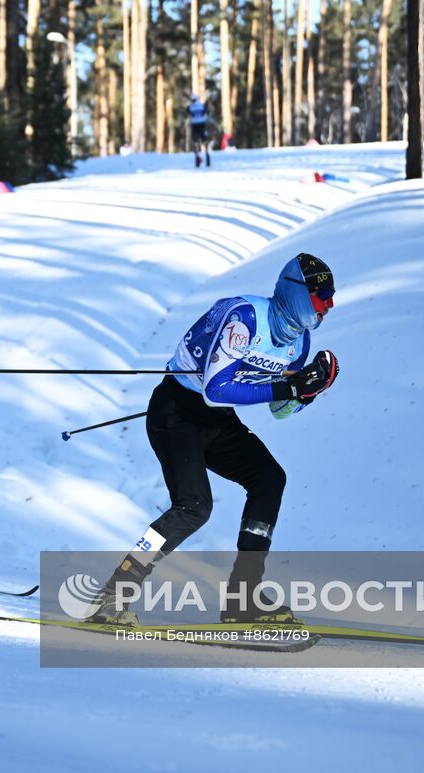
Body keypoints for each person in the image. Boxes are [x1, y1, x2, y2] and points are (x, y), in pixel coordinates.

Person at [88, 253, 340, 626]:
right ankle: (112, 595)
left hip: (216, 420)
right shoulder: (246, 317)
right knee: (193, 507)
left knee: (270, 477)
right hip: (177, 411)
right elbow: (216, 389)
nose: (328, 307)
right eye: (322, 298)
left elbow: (278, 410)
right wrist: (290, 384)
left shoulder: (298, 343)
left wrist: (309, 392)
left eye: (331, 299)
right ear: (299, 294)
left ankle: (244, 596)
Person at [187, 93, 209, 168]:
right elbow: (205, 112)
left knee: (196, 142)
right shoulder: (201, 105)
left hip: (195, 125)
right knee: (204, 141)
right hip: (202, 124)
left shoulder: (190, 107)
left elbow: (188, 113)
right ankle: (207, 154)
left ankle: (197, 159)